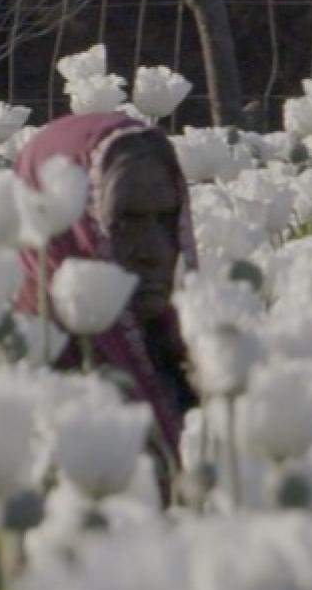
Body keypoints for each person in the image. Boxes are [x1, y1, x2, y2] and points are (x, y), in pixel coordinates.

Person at [15, 112, 199, 473]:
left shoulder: (196, 374)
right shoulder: (24, 403)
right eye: (125, 223)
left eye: (167, 219)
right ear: (68, 237)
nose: (157, 252)